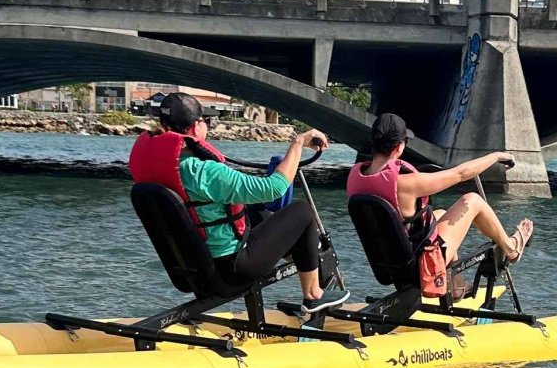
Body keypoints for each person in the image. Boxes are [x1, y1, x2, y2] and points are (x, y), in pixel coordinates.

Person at [129, 93, 349, 313]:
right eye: (206, 121)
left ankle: (297, 249)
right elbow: (273, 188)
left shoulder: (161, 168)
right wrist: (298, 143)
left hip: (195, 268)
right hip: (233, 269)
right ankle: (313, 295)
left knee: (254, 207)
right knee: (302, 211)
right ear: (196, 127)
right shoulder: (205, 172)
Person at [347, 113, 534, 265]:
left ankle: (456, 285)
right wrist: (497, 156)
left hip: (388, 261)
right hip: (420, 263)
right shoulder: (406, 184)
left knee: (439, 214)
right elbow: (461, 174)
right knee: (473, 200)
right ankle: (511, 249)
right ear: (399, 147)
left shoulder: (355, 178)